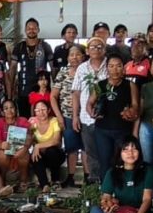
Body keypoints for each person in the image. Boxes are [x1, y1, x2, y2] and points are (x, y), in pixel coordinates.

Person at [89, 136, 153, 213]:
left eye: (134, 149)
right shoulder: (112, 172)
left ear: (139, 152)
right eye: (125, 149)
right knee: (94, 212)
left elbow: (147, 199)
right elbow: (106, 196)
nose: (130, 153)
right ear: (119, 153)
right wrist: (108, 205)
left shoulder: (147, 170)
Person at [87, 54, 139, 182]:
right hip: (102, 130)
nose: (115, 69)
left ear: (123, 68)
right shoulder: (100, 85)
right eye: (111, 66)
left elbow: (136, 106)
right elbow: (89, 103)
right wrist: (91, 112)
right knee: (104, 162)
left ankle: (123, 189)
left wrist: (131, 112)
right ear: (107, 68)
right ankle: (106, 191)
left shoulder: (130, 85)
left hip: (123, 130)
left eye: (118, 66)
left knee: (123, 161)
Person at [72, 36, 108, 181]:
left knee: (107, 151)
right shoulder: (81, 68)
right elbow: (76, 92)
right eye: (92, 47)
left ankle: (108, 183)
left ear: (104, 49)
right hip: (86, 118)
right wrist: (75, 115)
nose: (96, 49)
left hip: (107, 116)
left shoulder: (110, 65)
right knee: (91, 151)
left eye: (99, 47)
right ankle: (95, 183)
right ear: (87, 50)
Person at [50, 43, 85, 188]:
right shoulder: (63, 72)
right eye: (71, 54)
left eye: (77, 54)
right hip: (67, 116)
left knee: (85, 147)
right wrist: (59, 116)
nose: (74, 57)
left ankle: (88, 177)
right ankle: (70, 177)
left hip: (85, 116)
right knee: (71, 147)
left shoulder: (87, 71)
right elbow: (53, 96)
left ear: (83, 57)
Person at [10, 18, 52, 118]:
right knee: (24, 120)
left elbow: (53, 67)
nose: (31, 30)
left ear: (38, 30)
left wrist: (53, 88)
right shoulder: (19, 47)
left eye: (34, 28)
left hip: (41, 91)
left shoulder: (45, 46)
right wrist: (11, 87)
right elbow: (13, 68)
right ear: (25, 30)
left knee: (41, 118)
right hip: (23, 90)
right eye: (29, 28)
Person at [0, 99, 31, 188]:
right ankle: (1, 181)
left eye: (11, 107)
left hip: (19, 151)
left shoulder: (23, 121)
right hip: (5, 152)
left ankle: (23, 181)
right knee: (2, 155)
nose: (9, 110)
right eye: (6, 108)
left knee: (24, 154)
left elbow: (29, 137)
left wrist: (24, 149)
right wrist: (1, 145)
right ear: (2, 112)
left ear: (16, 109)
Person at [27, 99, 64, 189]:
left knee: (52, 151)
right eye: (38, 110)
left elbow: (56, 141)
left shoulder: (54, 121)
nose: (41, 112)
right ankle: (44, 185)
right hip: (41, 154)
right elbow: (28, 139)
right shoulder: (32, 123)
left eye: (43, 109)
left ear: (48, 110)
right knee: (35, 157)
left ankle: (55, 180)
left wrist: (38, 146)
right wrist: (30, 134)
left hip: (55, 154)